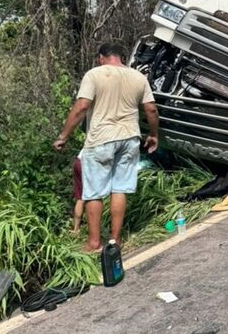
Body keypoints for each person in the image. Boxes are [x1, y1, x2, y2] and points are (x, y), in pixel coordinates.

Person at [53, 43, 159, 252]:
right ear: (121, 57)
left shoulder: (94, 75)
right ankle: (115, 240)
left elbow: (82, 106)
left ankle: (93, 242)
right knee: (120, 189)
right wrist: (154, 135)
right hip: (130, 138)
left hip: (101, 138)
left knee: (93, 192)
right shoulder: (139, 77)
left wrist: (63, 136)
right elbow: (151, 109)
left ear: (101, 57)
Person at [72, 151, 84, 233]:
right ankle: (94, 234)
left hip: (78, 160)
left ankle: (76, 230)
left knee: (81, 197)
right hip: (88, 163)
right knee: (93, 197)